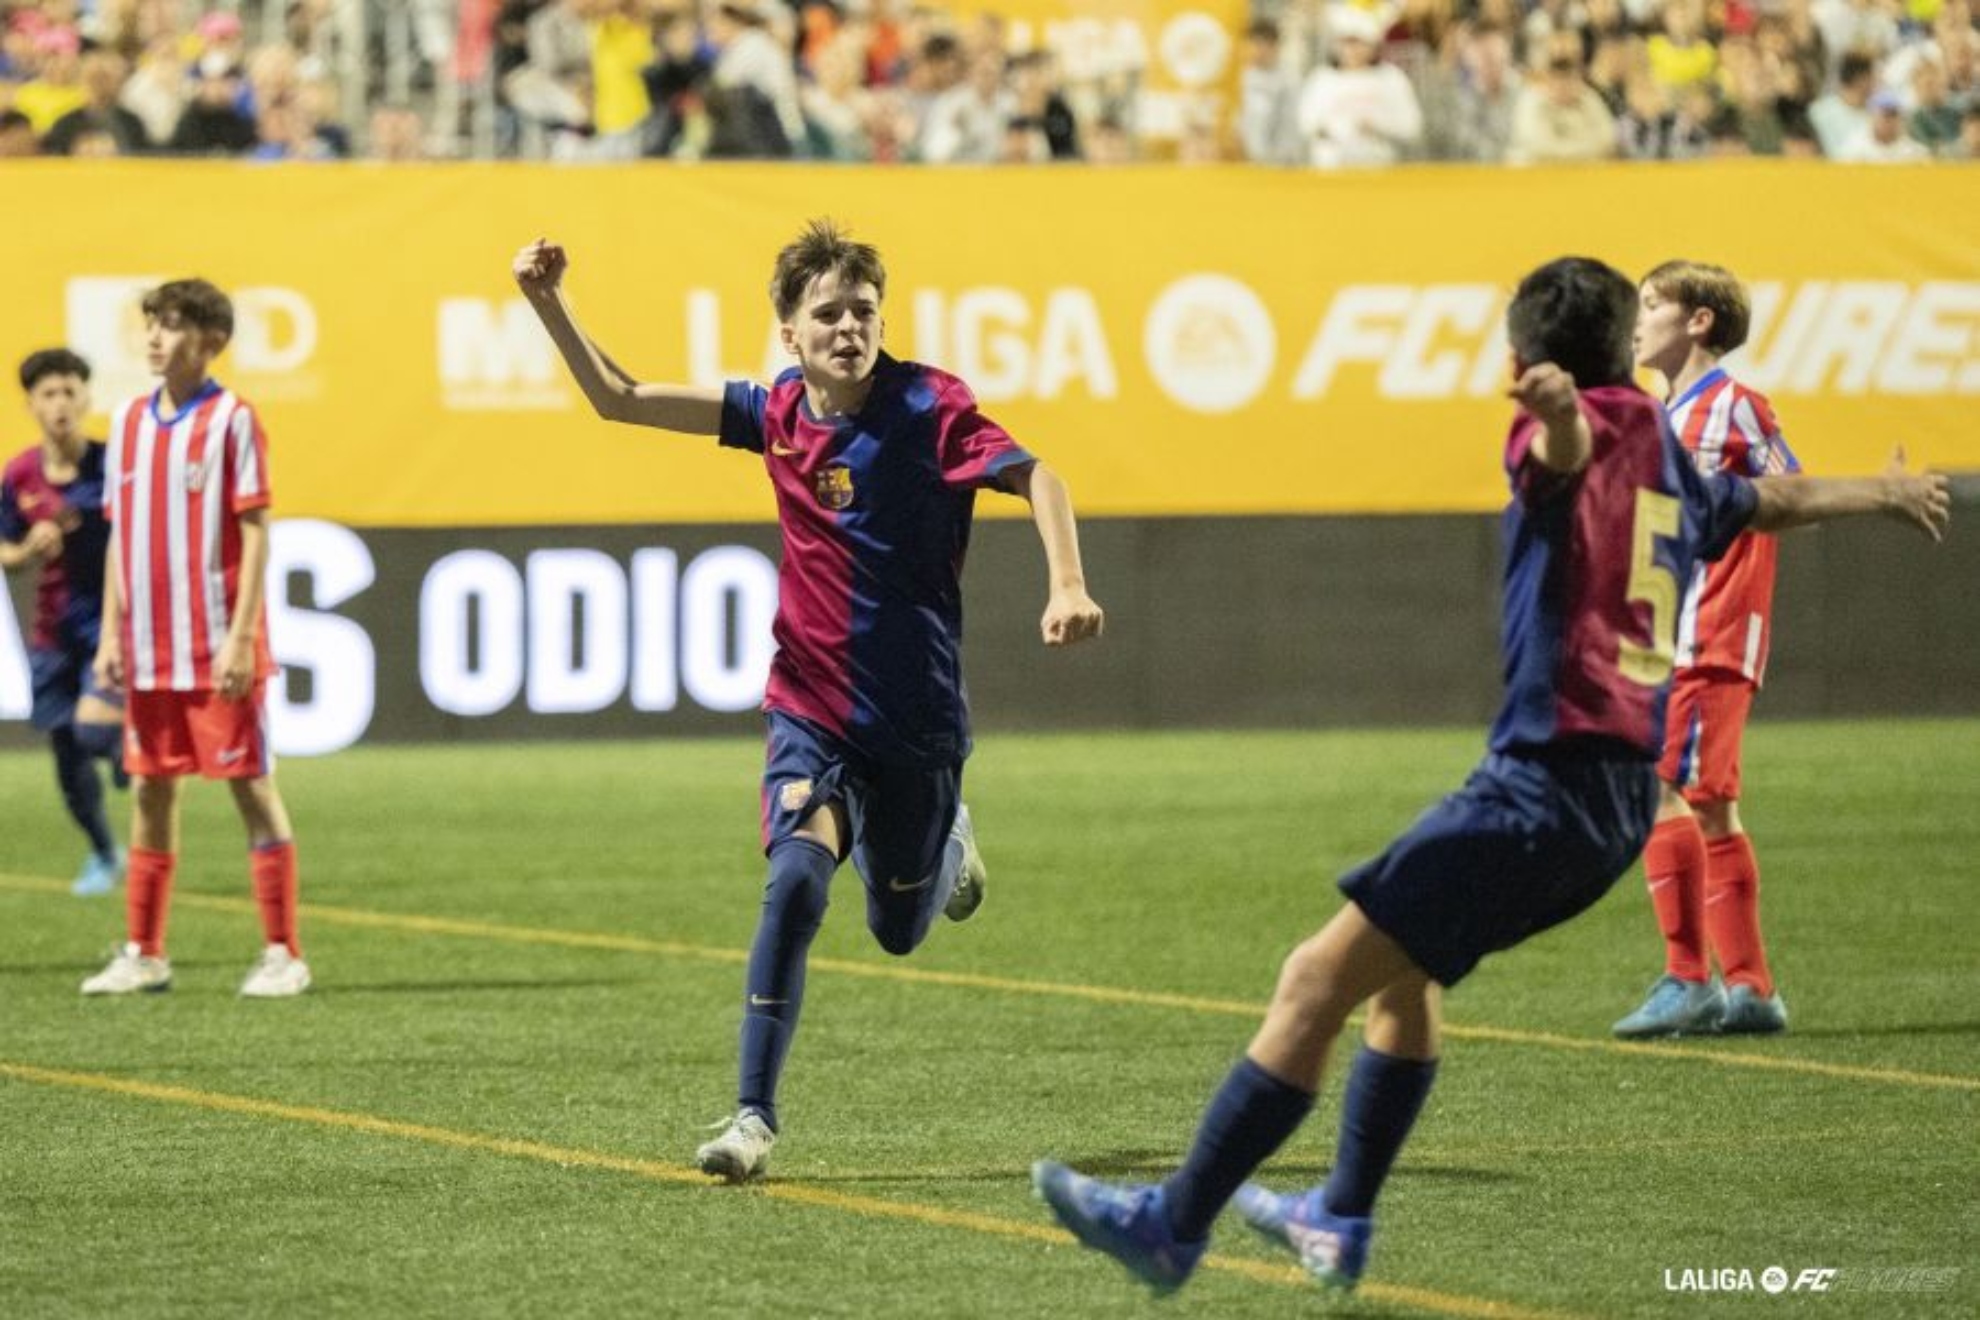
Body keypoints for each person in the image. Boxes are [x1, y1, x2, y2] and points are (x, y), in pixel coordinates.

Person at [1033, 256, 1949, 1297]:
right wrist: (1881, 489)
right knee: (1404, 981)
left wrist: (1554, 414)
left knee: (1312, 980)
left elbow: (1564, 452)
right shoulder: (1662, 438)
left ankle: (1173, 1225)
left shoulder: (1558, 430)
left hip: (1543, 787)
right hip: (1613, 806)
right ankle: (1335, 1216)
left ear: (1526, 358)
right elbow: (1767, 497)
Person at [513, 219, 1105, 1182]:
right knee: (793, 884)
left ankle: (949, 840)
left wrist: (1067, 582)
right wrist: (548, 300)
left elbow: (1039, 475)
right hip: (810, 711)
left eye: (863, 311)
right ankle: (752, 1119)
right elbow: (616, 398)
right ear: (788, 332)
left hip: (916, 727)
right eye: (826, 313)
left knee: (898, 931)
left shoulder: (927, 406)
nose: (848, 327)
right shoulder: (778, 412)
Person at [81, 279, 310, 999]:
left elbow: (255, 531)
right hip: (148, 647)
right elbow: (120, 534)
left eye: (172, 324)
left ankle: (283, 951)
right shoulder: (125, 423)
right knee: (150, 788)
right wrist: (111, 634)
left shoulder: (235, 420)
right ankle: (144, 952)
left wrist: (243, 639)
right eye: (151, 323)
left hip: (214, 645)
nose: (155, 337)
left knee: (250, 785)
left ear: (210, 341)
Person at [1615, 260, 1800, 1040]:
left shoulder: (1731, 407)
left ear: (1699, 321)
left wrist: (1724, 575)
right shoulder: (1662, 414)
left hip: (1708, 631)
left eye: (1652, 304)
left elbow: (1791, 497)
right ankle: (1751, 988)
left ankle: (1690, 977)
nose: (1637, 318)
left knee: (1668, 789)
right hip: (1674, 633)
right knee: (1708, 801)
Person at [1, 348, 125, 896]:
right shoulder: (20, 474)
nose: (60, 404)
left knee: (93, 730)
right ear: (31, 404)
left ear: (86, 398)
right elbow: (6, 549)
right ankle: (103, 852)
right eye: (49, 394)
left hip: (110, 625)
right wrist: (29, 548)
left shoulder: (112, 465)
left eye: (70, 392)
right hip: (53, 631)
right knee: (67, 756)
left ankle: (127, 750)